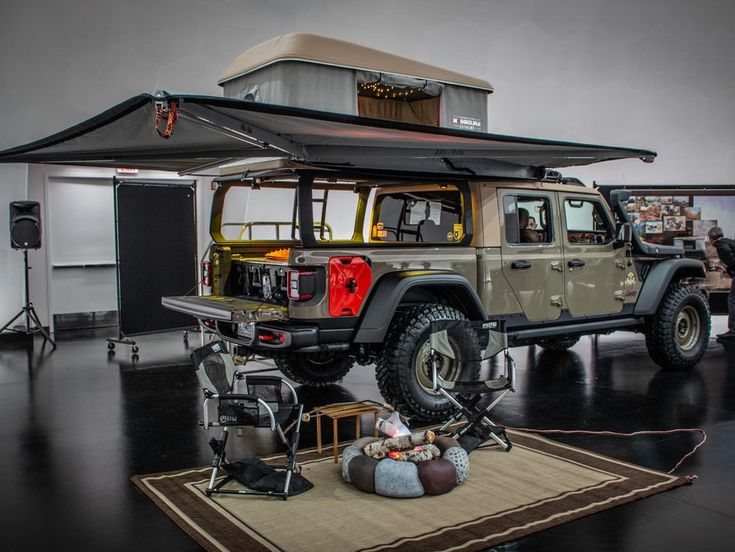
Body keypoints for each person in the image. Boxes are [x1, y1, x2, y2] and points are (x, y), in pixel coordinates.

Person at [708, 226, 735, 340]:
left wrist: (730, 269)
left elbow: (728, 255)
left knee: (732, 299)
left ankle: (733, 330)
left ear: (711, 238)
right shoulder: (729, 241)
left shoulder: (720, 244)